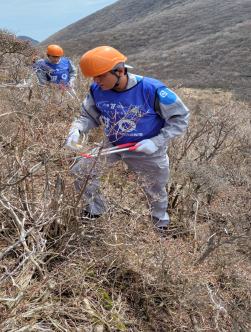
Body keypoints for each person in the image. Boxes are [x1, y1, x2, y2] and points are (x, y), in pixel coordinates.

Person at [65, 46, 190, 235]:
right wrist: (77, 128)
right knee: (80, 171)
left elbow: (180, 117)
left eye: (100, 76)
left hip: (146, 149)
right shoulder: (97, 89)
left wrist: (156, 141)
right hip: (113, 144)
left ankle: (160, 226)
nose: (96, 81)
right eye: (93, 77)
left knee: (154, 191)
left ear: (120, 71)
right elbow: (89, 116)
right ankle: (95, 212)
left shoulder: (152, 90)